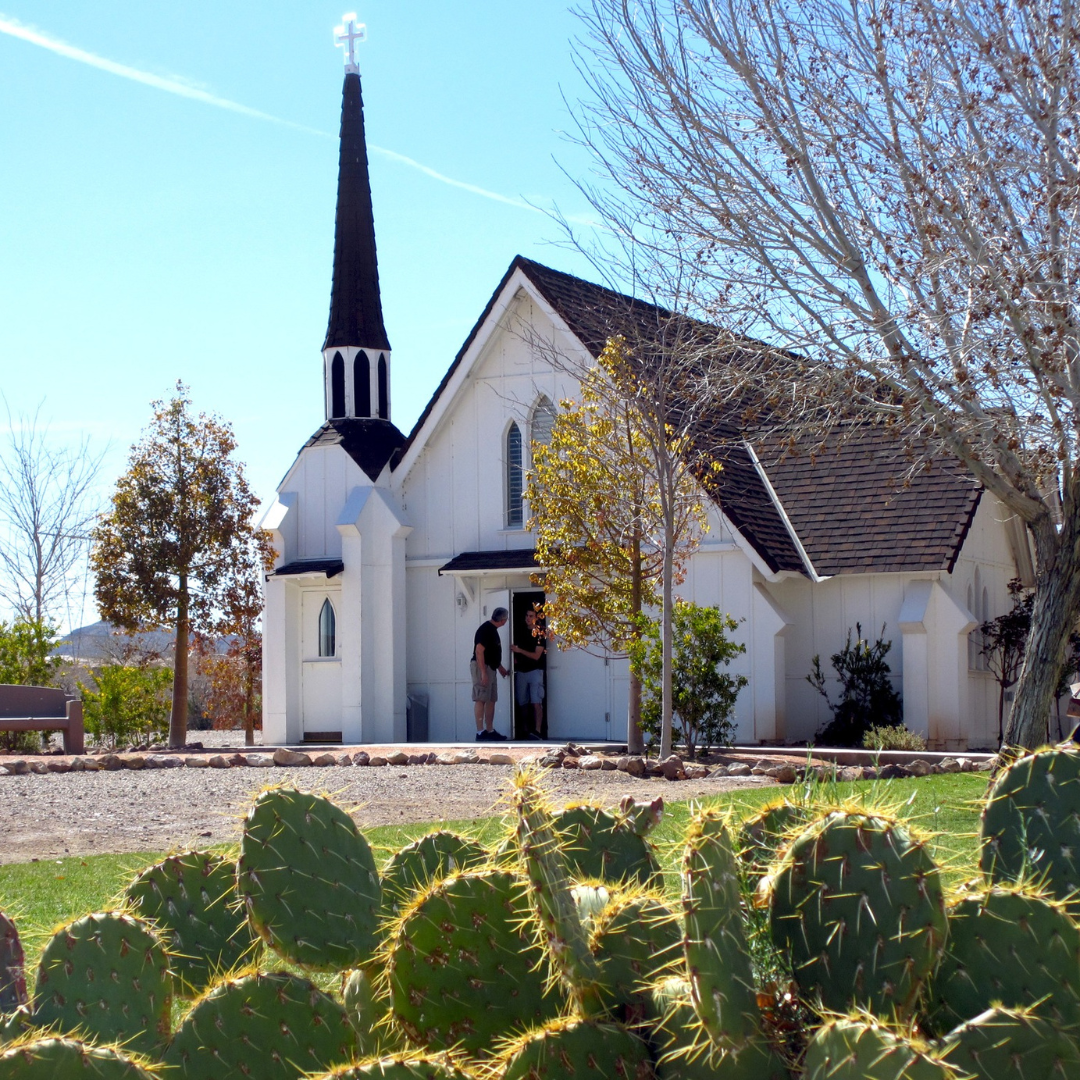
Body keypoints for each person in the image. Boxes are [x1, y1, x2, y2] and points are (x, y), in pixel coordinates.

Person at [472, 608, 508, 741]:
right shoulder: (485, 630)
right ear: (503, 620)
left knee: (491, 699)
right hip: (482, 667)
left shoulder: (493, 631)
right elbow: (479, 651)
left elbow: (491, 653)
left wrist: (500, 668)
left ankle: (490, 730)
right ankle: (480, 732)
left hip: (491, 668)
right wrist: (483, 672)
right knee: (481, 698)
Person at [511, 607, 546, 740]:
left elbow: (537, 656)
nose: (528, 618)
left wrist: (519, 651)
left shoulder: (540, 633)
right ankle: (524, 730)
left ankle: (537, 731)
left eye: (531, 616)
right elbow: (514, 652)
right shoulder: (519, 631)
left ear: (537, 617)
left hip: (535, 672)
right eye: (527, 615)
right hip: (521, 671)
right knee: (522, 702)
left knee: (536, 702)